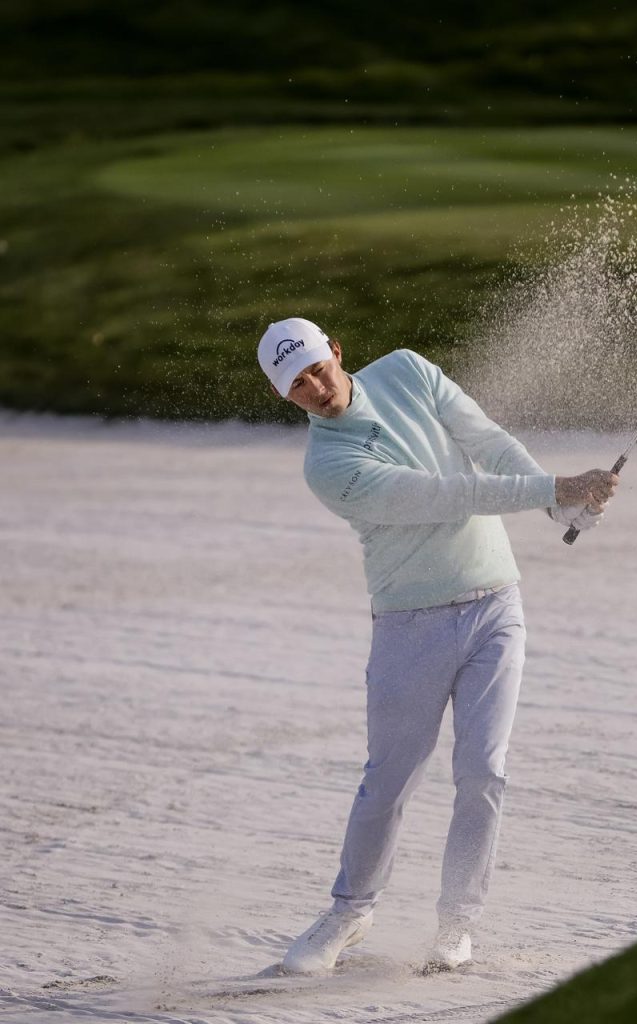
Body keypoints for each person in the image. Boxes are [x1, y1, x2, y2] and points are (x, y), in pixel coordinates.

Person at [256, 316, 617, 974]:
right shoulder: (328, 465)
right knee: (389, 781)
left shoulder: (407, 371)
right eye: (295, 383)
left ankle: (457, 925)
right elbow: (440, 496)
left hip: (496, 606)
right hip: (409, 623)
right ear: (285, 396)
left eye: (316, 367)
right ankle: (350, 911)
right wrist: (551, 488)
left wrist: (557, 505)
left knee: (483, 770)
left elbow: (488, 440)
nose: (313, 386)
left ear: (338, 350)